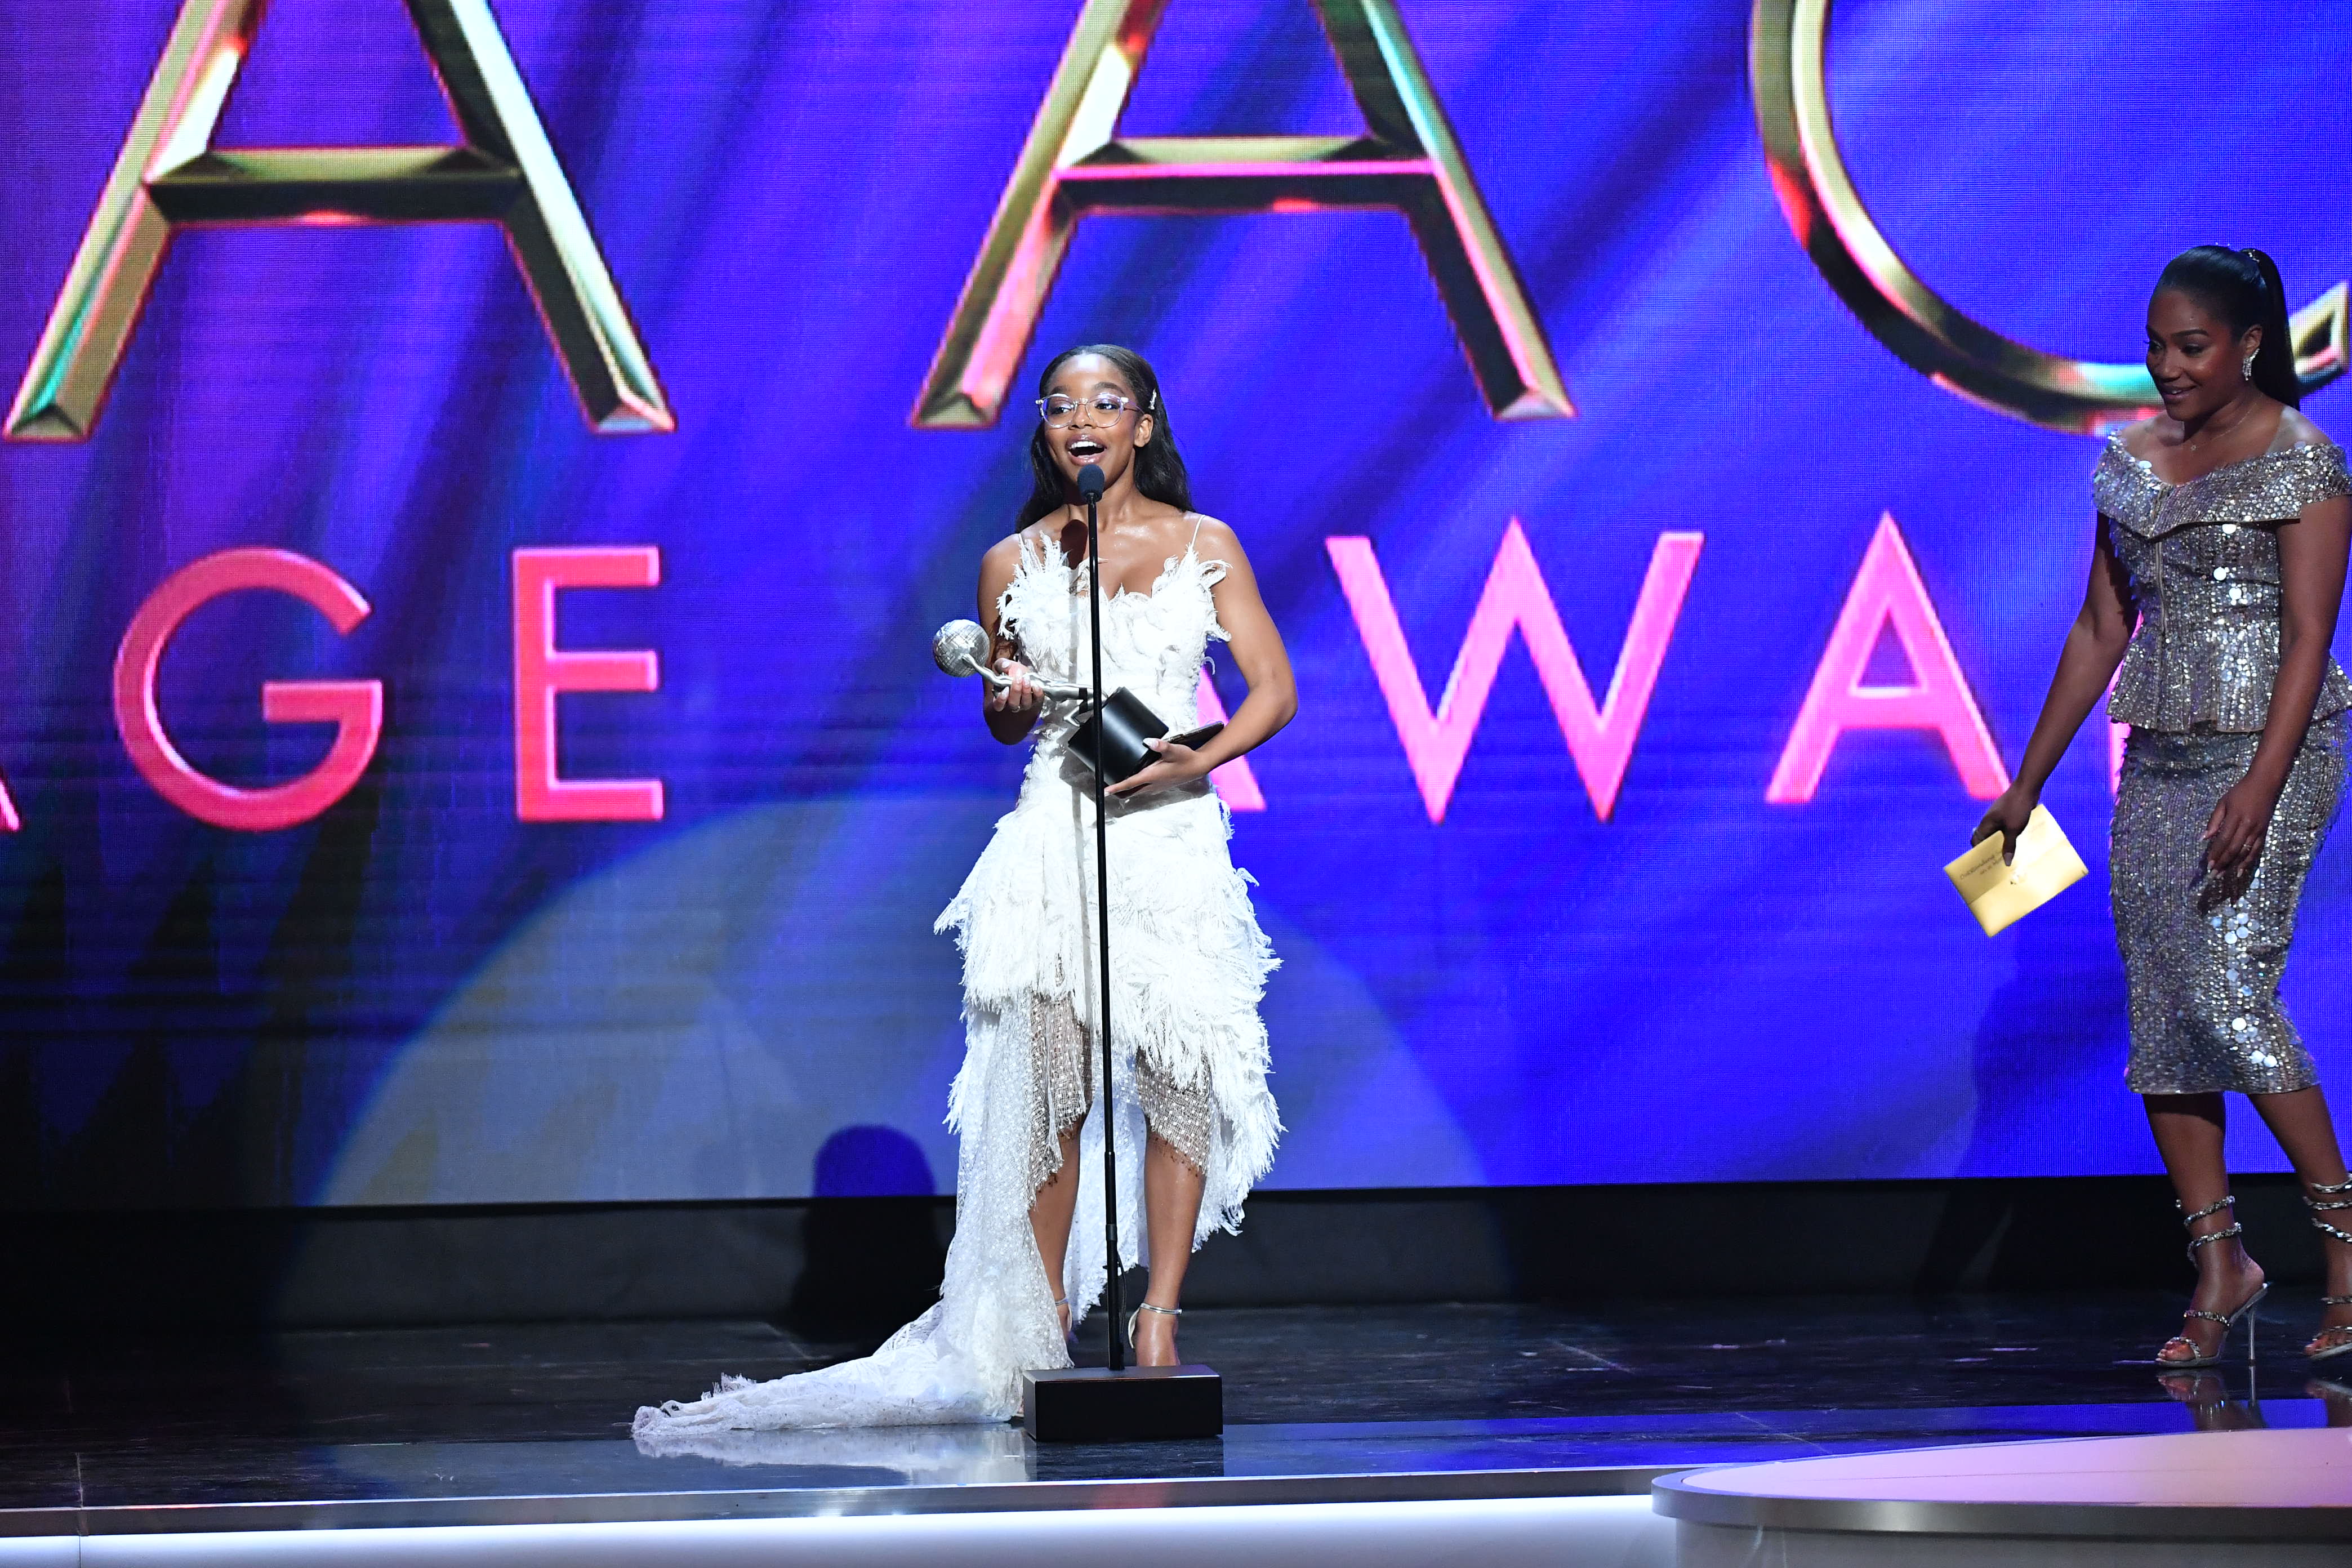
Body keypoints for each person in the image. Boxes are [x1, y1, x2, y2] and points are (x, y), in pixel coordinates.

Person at [635, 345, 1294, 1437]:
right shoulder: (1013, 563)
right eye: (1062, 405)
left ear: (1143, 423)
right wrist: (1013, 693)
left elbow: (1273, 688)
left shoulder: (1204, 545)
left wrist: (1201, 757)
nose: (1084, 419)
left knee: (1181, 1081)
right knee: (1052, 1096)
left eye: (1106, 401)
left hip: (1169, 842)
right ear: (1045, 431)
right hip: (1053, 842)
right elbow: (1000, 716)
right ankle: (1040, 1336)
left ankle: (1159, 1324)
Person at [1976, 246, 2352, 1370]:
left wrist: (2261, 783)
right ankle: (2221, 1265)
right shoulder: (2128, 466)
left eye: (2190, 346)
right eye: (2155, 345)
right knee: (2167, 1011)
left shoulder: (2306, 464)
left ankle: (2345, 1247)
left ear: (2246, 342)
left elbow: (2307, 641)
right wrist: (2029, 776)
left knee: (2232, 995)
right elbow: (2102, 630)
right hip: (2161, 762)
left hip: (2271, 755)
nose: (2167, 366)